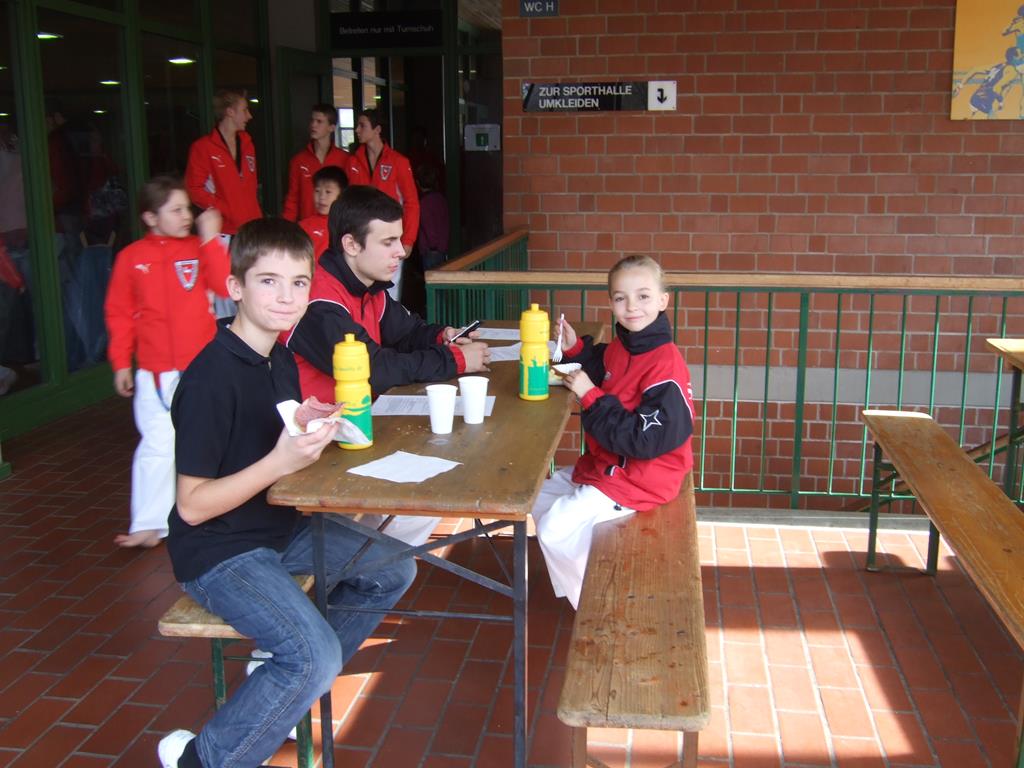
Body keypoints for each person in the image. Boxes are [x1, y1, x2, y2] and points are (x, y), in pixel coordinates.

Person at [156, 218, 417, 768]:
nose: (286, 297)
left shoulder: (275, 355)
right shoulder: (209, 378)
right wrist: (280, 460)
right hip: (218, 550)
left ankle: (279, 673)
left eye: (299, 283)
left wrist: (301, 417)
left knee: (394, 567)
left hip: (276, 525)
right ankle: (202, 758)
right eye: (268, 281)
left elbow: (260, 431)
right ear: (235, 287)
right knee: (314, 658)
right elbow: (192, 506)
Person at [284, 185, 489, 545]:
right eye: (388, 242)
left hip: (360, 429)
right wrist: (455, 359)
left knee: (437, 479)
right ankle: (366, 559)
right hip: (320, 448)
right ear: (351, 244)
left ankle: (369, 555)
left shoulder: (368, 287)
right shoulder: (319, 302)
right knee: (425, 494)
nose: (401, 251)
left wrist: (443, 336)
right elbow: (374, 369)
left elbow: (407, 332)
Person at [531, 255, 696, 609]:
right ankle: (590, 579)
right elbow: (604, 366)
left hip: (643, 477)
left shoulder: (666, 365)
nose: (631, 306)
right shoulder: (626, 343)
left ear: (663, 300)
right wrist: (575, 349)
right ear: (611, 303)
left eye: (643, 296)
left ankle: (600, 607)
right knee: (539, 497)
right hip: (609, 464)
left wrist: (590, 395)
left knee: (554, 529)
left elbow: (644, 440)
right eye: (621, 298)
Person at [104, 176, 230, 549]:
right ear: (150, 217)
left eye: (186, 208)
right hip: (154, 370)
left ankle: (219, 512)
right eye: (175, 210)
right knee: (157, 445)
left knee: (211, 439)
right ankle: (149, 523)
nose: (186, 215)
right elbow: (119, 314)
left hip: (201, 367)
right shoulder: (131, 257)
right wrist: (121, 363)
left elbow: (224, 285)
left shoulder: (199, 247)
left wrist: (211, 240)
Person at [185, 88, 261, 318]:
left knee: (253, 292)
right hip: (224, 233)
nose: (249, 116)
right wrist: (223, 209)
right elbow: (194, 189)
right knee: (225, 295)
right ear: (229, 112)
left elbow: (250, 187)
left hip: (250, 230)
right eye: (244, 110)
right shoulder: (203, 148)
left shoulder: (247, 143)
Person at [346, 108, 419, 302]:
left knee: (389, 291)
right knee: (361, 289)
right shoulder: (352, 162)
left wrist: (408, 240)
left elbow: (412, 203)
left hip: (389, 237)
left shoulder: (398, 162)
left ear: (377, 129)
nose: (357, 130)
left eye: (362, 125)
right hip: (361, 236)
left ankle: (387, 322)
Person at [282, 103, 349, 223]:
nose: (313, 125)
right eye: (312, 120)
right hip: (307, 226)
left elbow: (350, 197)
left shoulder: (345, 159)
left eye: (319, 121)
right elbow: (292, 199)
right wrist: (285, 226)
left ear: (332, 127)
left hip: (336, 226)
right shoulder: (298, 161)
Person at [297, 165, 348, 259]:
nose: (321, 197)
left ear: (341, 194)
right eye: (317, 191)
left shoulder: (348, 225)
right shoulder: (303, 227)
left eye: (328, 192)